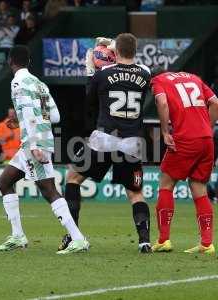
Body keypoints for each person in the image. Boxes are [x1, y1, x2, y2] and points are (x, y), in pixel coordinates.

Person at [59, 33, 152, 253]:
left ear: (115, 52)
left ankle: (74, 237)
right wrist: (113, 45)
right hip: (133, 141)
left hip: (105, 139)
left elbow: (90, 100)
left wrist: (90, 70)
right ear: (135, 50)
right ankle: (145, 241)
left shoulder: (103, 73)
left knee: (72, 179)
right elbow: (131, 63)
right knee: (135, 193)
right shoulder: (146, 73)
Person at [0, 45, 88, 254]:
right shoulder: (40, 84)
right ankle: (18, 236)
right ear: (29, 62)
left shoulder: (17, 82)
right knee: (4, 182)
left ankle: (78, 238)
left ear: (10, 61)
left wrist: (35, 144)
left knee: (48, 190)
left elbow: (29, 112)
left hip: (34, 143)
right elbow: (54, 117)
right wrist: (19, 122)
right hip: (37, 140)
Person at [150, 70, 218, 255]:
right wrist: (207, 128)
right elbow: (215, 102)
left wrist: (165, 132)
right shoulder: (194, 77)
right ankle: (206, 243)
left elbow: (162, 102)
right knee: (199, 188)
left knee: (166, 183)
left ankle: (163, 240)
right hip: (206, 140)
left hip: (185, 139)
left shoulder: (158, 80)